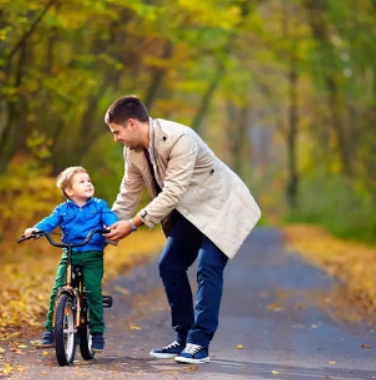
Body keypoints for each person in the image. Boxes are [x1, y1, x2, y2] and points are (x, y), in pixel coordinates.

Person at [103, 95, 261, 364]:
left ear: (131, 123)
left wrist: (133, 224)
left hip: (222, 208)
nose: (116, 138)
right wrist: (106, 231)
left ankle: (199, 344)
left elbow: (173, 193)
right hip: (191, 212)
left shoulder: (180, 138)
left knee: (207, 268)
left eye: (116, 132)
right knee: (169, 266)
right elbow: (128, 193)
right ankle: (184, 338)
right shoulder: (132, 151)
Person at [23, 166, 118, 351]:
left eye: (89, 180)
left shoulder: (99, 206)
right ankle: (51, 331)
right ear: (69, 190)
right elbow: (50, 222)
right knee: (57, 290)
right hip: (70, 255)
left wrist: (114, 226)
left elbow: (110, 218)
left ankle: (97, 332)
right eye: (82, 182)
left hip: (92, 256)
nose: (88, 184)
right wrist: (36, 229)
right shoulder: (62, 209)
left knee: (92, 291)